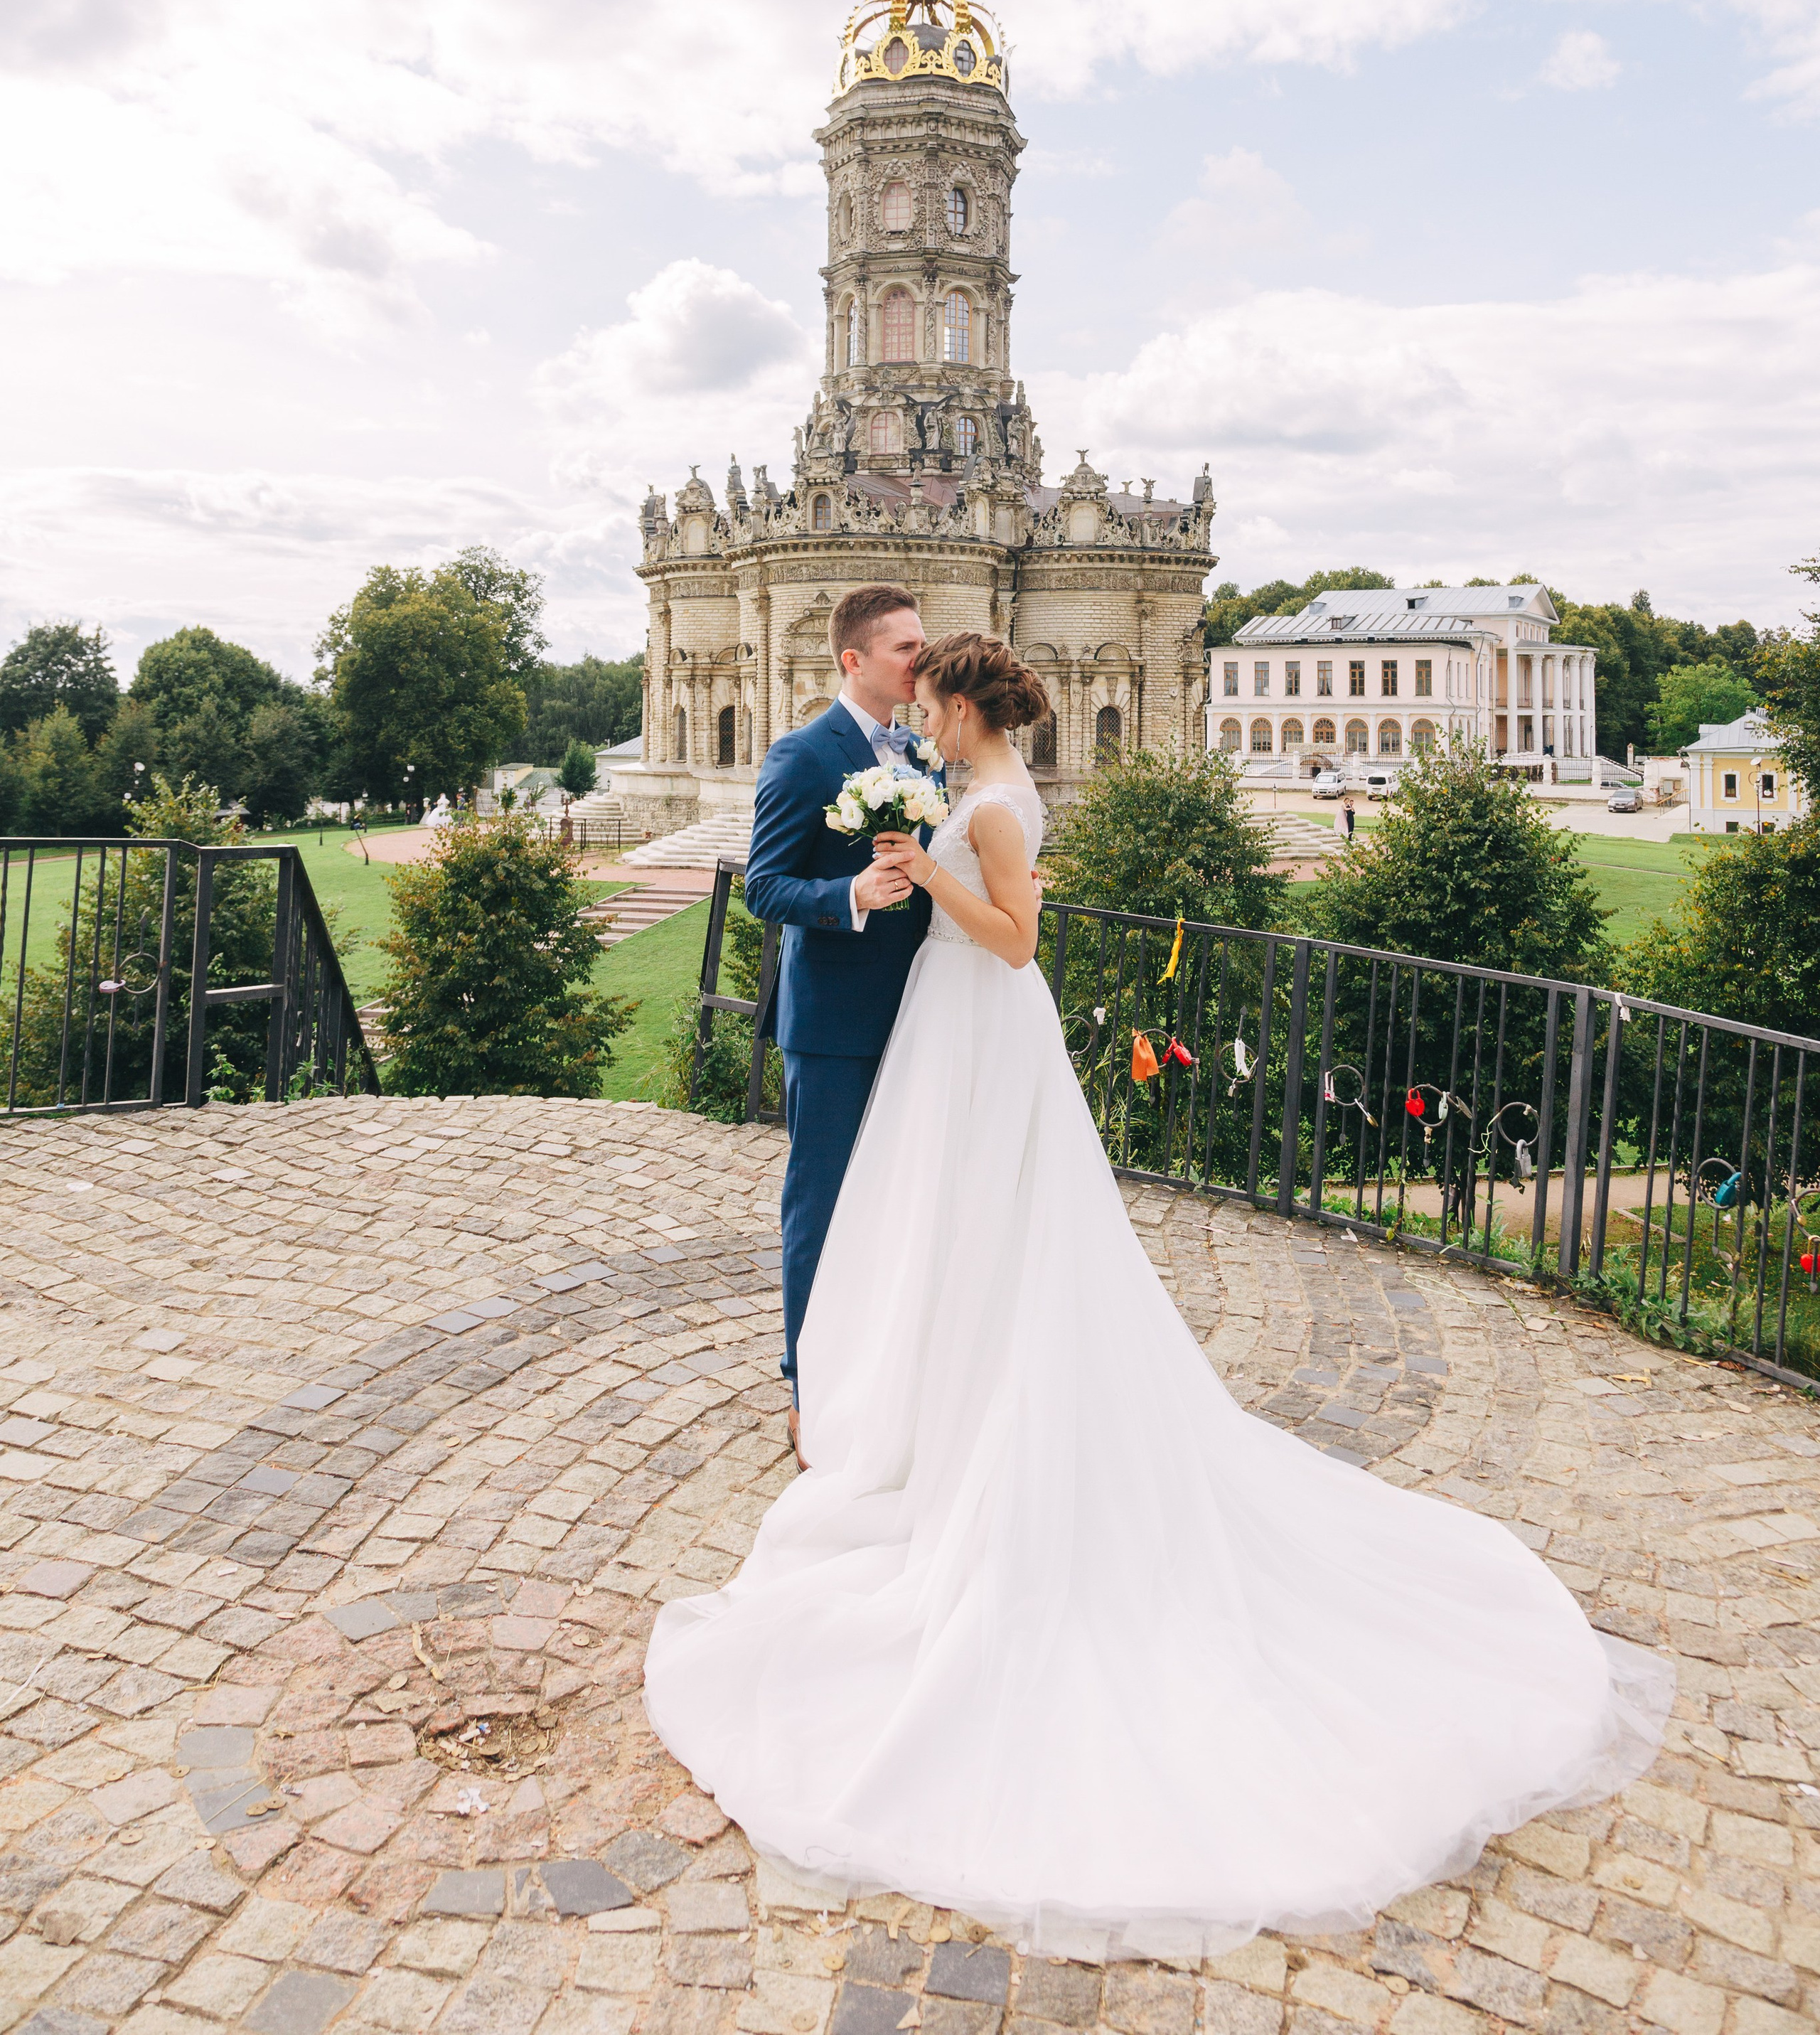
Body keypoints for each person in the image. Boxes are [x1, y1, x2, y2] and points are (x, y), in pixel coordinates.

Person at [647, 632, 1673, 1961]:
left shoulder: (999, 802)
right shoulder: (965, 784)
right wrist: (903, 865)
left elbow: (1016, 944)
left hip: (986, 1017)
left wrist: (919, 878)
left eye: (934, 697)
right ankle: (935, 1416)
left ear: (962, 707)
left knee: (1005, 1240)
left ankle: (989, 1433)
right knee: (961, 1237)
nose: (923, 715)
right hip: (946, 1037)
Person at [741, 583, 941, 1472]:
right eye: (905, 648)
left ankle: (886, 1375)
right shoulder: (801, 757)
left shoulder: (926, 755)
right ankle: (806, 1387)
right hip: (831, 1022)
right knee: (819, 1210)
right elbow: (763, 886)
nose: (921, 661)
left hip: (924, 1012)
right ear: (854, 660)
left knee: (903, 1203)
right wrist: (847, 896)